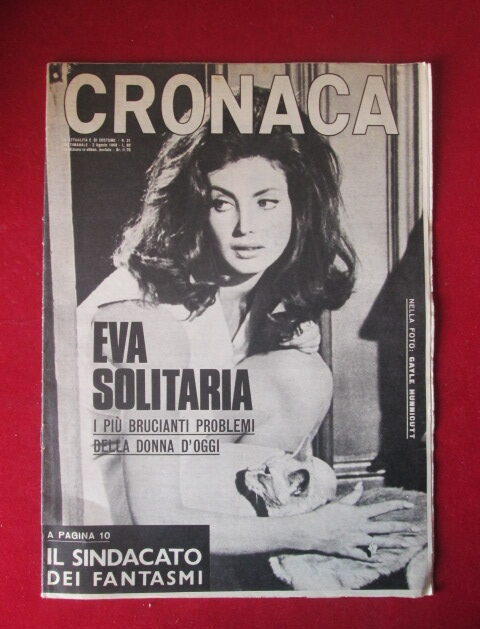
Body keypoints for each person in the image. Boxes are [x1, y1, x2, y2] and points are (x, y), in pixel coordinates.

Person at [77, 87, 415, 572]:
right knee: (316, 476)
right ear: (194, 209)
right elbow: (153, 520)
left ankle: (248, 548)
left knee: (301, 374)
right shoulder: (143, 315)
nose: (245, 228)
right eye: (222, 204)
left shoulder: (257, 292)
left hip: (180, 474)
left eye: (266, 202)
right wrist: (310, 531)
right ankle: (249, 551)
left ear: (299, 207)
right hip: (117, 519)